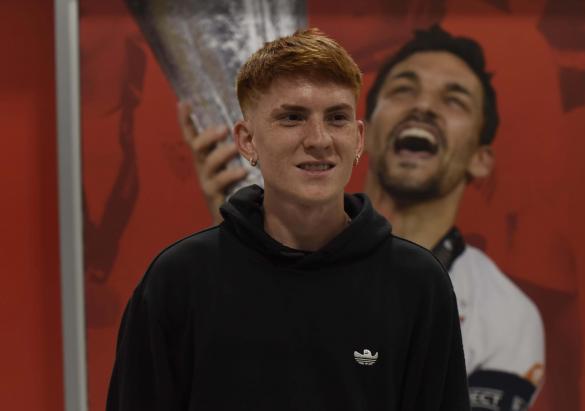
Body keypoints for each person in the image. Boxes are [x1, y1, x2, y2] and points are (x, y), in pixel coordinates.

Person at [185, 25, 545, 411]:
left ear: (480, 157)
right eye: (404, 89)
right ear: (369, 134)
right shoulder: (184, 279)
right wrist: (243, 241)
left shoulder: (505, 315)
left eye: (454, 100)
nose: (423, 107)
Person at [107, 28, 469, 411]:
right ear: (247, 140)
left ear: (359, 139)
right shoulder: (178, 281)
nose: (319, 139)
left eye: (337, 118)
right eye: (293, 117)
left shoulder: (417, 284)